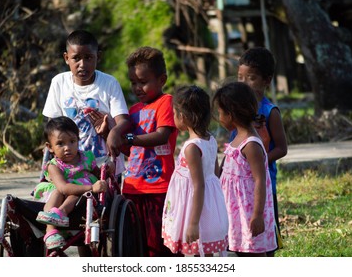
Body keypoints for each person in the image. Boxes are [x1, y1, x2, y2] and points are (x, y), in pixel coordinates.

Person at [41, 29, 130, 255]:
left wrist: (111, 132)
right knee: (67, 203)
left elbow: (123, 121)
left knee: (93, 220)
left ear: (97, 56)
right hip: (67, 163)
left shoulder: (108, 84)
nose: (82, 64)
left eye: (88, 57)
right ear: (66, 58)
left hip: (98, 165)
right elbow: (52, 127)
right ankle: (53, 232)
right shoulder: (59, 83)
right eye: (76, 58)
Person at [121, 46, 178, 257]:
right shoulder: (133, 111)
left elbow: (162, 135)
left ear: (161, 79)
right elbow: (128, 150)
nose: (137, 88)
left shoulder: (166, 102)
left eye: (143, 82)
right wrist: (109, 133)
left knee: (159, 245)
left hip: (159, 187)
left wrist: (130, 138)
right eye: (133, 82)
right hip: (132, 187)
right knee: (136, 244)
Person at [161, 85, 229, 257]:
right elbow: (213, 174)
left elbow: (198, 185)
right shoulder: (210, 139)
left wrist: (193, 223)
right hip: (208, 204)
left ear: (182, 117)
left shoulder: (192, 147)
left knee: (196, 250)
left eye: (174, 113)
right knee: (205, 249)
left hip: (194, 207)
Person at [234, 47, 288, 256]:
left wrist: (259, 161)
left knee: (264, 235)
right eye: (240, 77)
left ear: (267, 80)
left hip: (262, 185)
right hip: (240, 187)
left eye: (251, 78)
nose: (244, 83)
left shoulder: (269, 112)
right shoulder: (237, 111)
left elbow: (282, 148)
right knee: (245, 235)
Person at [213, 81, 277, 257]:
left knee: (254, 252)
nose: (219, 117)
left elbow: (260, 180)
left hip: (249, 212)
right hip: (237, 211)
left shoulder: (251, 144)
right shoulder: (236, 139)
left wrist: (257, 215)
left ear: (231, 114)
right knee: (243, 251)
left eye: (220, 112)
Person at [34, 116, 109, 250]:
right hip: (63, 192)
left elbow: (97, 173)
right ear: (49, 147)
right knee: (60, 191)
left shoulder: (87, 157)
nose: (67, 147)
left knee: (76, 192)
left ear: (78, 140)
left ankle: (60, 213)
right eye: (60, 144)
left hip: (83, 199)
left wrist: (107, 171)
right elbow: (64, 188)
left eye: (72, 141)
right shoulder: (53, 166)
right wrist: (91, 187)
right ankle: (50, 229)